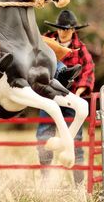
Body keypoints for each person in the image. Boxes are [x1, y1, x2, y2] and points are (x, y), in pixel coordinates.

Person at [36, 9, 95, 185]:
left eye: (67, 29)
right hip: (48, 97)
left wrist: (76, 95)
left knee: (75, 139)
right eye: (61, 29)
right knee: (43, 137)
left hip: (71, 98)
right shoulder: (46, 41)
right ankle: (46, 179)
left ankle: (79, 182)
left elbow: (88, 72)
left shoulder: (81, 49)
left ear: (73, 30)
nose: (64, 32)